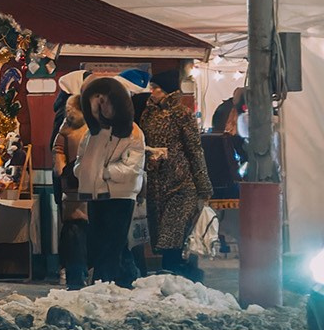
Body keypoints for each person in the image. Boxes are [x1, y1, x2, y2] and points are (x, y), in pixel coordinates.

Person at [71, 75, 147, 288]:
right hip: (95, 194)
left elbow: (131, 168)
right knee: (102, 241)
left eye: (105, 102)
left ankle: (105, 282)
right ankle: (126, 278)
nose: (101, 108)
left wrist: (102, 172)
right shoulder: (92, 134)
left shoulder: (133, 133)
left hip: (121, 195)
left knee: (112, 242)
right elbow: (81, 161)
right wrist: (83, 172)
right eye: (96, 102)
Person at [139, 67, 213, 280]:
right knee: (160, 229)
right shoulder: (148, 114)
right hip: (156, 181)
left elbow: (194, 149)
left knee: (173, 229)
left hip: (181, 182)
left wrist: (203, 186)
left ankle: (173, 272)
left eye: (156, 89)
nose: (152, 92)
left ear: (168, 91)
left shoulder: (182, 114)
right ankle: (174, 271)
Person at [52, 86, 91, 288]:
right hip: (72, 189)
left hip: (92, 189)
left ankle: (87, 273)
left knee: (87, 235)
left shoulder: (94, 127)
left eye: (71, 109)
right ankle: (75, 276)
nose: (68, 113)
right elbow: (58, 149)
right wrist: (62, 168)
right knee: (73, 234)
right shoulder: (65, 129)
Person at [204, 97, 245, 255]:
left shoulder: (224, 110)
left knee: (218, 216)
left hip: (215, 181)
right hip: (229, 183)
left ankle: (221, 240)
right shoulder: (230, 138)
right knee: (233, 219)